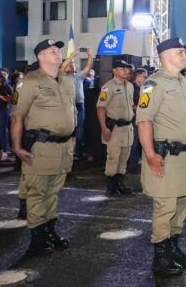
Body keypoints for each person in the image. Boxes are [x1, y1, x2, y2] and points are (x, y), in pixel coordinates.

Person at [136, 38, 186, 276]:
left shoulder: (183, 81)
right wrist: (150, 154)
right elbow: (144, 121)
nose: (185, 56)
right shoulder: (154, 84)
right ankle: (161, 257)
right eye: (181, 52)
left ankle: (173, 247)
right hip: (167, 156)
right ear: (166, 56)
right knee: (166, 205)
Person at [10, 39, 76, 256]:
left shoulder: (67, 80)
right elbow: (17, 117)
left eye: (58, 50)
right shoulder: (28, 82)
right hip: (40, 147)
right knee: (38, 192)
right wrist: (17, 147)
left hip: (63, 147)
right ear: (40, 56)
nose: (58, 53)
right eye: (52, 51)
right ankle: (37, 239)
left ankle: (49, 231)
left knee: (53, 192)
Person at [95, 59, 135, 196]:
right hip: (115, 129)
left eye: (127, 69)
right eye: (123, 68)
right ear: (115, 71)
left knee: (124, 157)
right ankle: (111, 185)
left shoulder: (130, 86)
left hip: (128, 128)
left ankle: (120, 183)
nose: (126, 71)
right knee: (113, 157)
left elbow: (131, 105)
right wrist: (104, 128)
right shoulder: (108, 87)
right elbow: (100, 108)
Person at [61, 49, 94, 162]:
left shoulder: (78, 77)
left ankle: (77, 152)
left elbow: (88, 67)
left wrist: (89, 55)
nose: (73, 66)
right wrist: (72, 55)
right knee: (68, 130)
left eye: (74, 64)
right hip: (67, 107)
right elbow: (61, 68)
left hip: (79, 106)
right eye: (71, 64)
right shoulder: (61, 77)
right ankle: (68, 152)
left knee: (79, 131)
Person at [128, 68, 149, 171]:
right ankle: (133, 166)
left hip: (142, 120)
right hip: (134, 120)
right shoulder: (131, 87)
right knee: (134, 143)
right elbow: (130, 105)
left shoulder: (145, 88)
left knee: (143, 142)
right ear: (138, 76)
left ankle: (138, 163)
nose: (146, 79)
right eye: (145, 77)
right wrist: (141, 110)